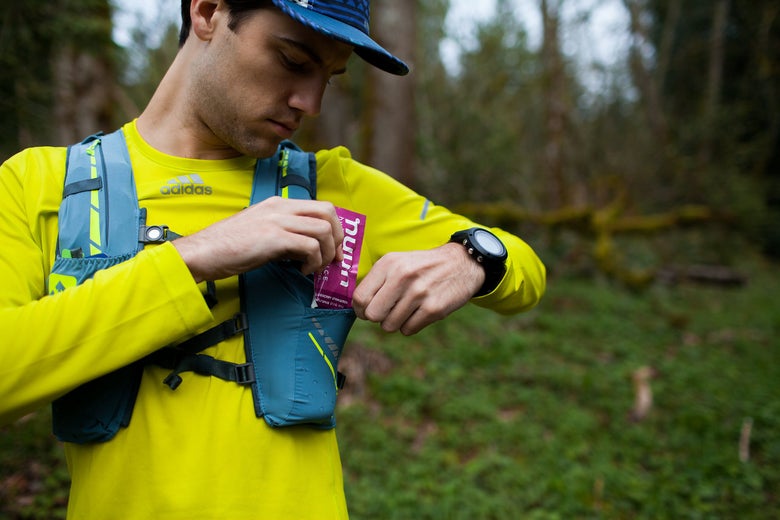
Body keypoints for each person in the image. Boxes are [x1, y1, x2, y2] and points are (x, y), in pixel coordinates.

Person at [0, 0, 546, 518]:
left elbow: (524, 269)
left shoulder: (329, 187)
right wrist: (191, 259)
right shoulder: (39, 185)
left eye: (328, 77)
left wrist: (472, 258)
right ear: (209, 12)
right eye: (292, 60)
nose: (310, 102)